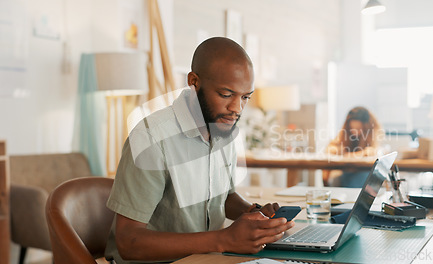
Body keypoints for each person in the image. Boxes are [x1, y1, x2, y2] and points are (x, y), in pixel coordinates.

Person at [104, 37, 294, 263]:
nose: (236, 108)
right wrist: (224, 239)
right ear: (194, 82)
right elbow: (129, 243)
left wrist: (255, 214)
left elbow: (222, 198)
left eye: (245, 97)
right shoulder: (151, 137)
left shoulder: (223, 130)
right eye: (225, 94)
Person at [323, 106, 383, 187]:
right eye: (352, 128)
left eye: (358, 129)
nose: (354, 132)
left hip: (362, 172)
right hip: (347, 172)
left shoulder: (372, 136)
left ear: (366, 127)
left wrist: (347, 155)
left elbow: (371, 152)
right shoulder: (345, 134)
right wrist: (337, 150)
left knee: (362, 176)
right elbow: (330, 148)